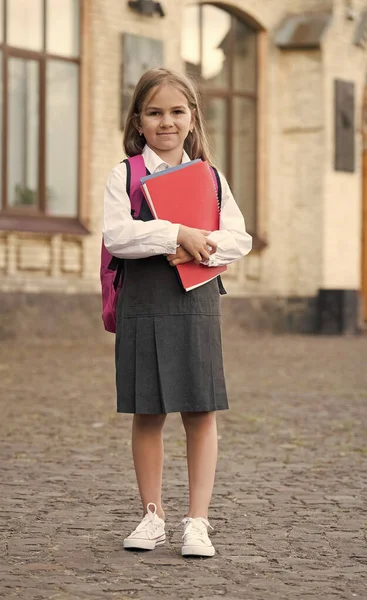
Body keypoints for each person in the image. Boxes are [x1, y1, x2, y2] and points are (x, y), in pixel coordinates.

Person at [103, 68, 252, 558]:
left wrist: (200, 245)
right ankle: (152, 516)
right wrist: (174, 234)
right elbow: (116, 236)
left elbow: (238, 237)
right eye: (154, 112)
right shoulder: (124, 174)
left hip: (196, 301)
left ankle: (197, 521)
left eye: (176, 111)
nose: (166, 122)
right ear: (139, 120)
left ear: (191, 119)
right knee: (147, 411)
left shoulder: (210, 175)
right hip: (142, 303)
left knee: (200, 410)